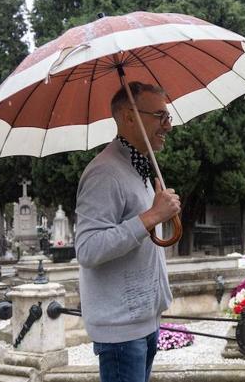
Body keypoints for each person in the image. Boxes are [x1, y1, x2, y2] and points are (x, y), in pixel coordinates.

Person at [75, 81, 180, 382]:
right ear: (129, 117)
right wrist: (151, 215)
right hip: (121, 330)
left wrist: (159, 212)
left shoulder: (138, 168)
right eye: (160, 116)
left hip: (144, 321)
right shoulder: (104, 172)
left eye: (168, 116)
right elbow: (88, 249)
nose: (168, 126)